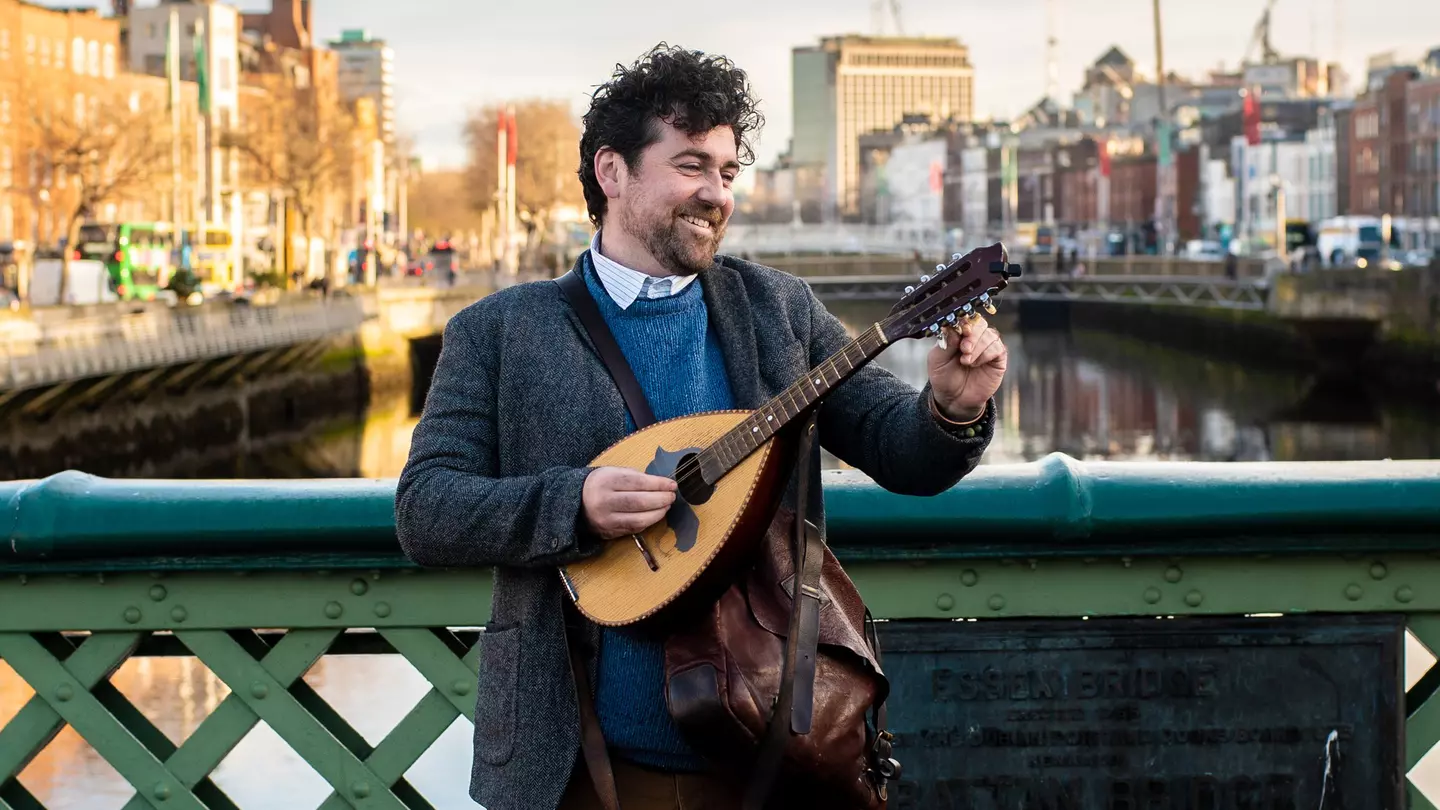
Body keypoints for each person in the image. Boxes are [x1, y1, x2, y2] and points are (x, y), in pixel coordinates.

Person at [394, 43, 1009, 810]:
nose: (715, 193)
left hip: (764, 758)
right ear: (612, 173)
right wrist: (572, 505)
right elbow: (426, 510)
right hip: (576, 769)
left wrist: (954, 406)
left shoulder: (776, 309)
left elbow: (901, 450)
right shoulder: (499, 332)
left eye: (726, 171)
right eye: (691, 165)